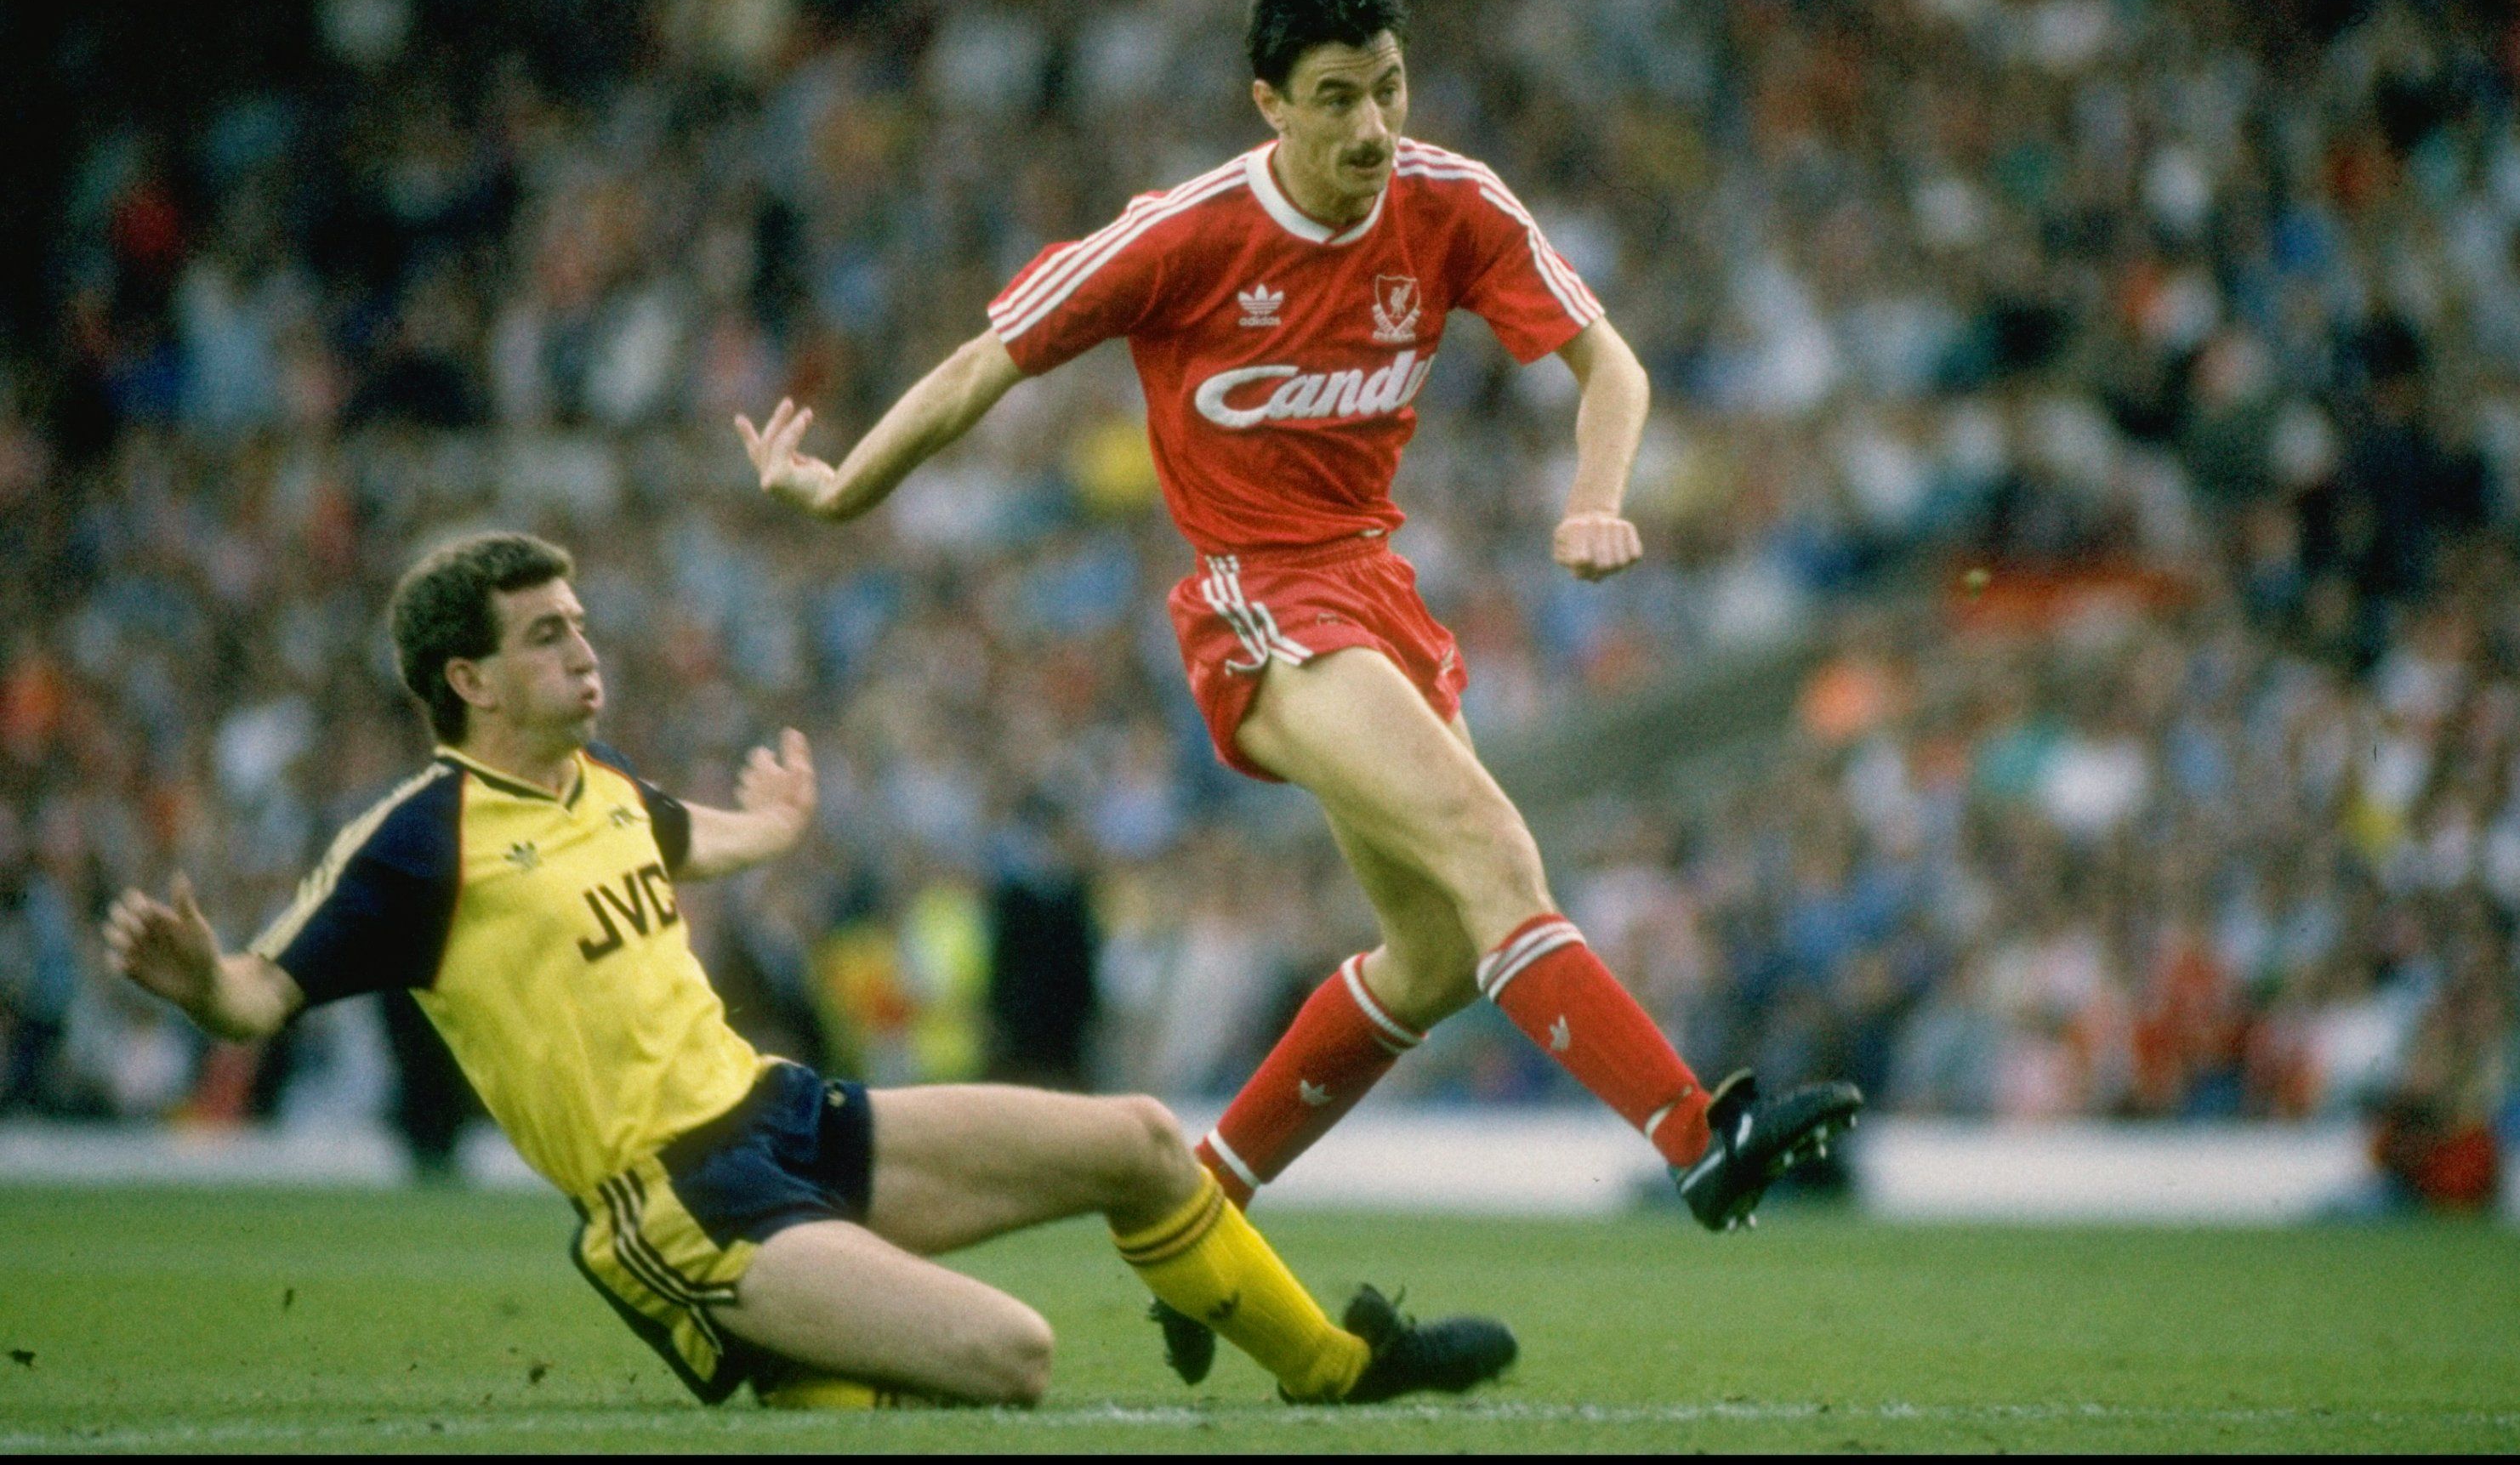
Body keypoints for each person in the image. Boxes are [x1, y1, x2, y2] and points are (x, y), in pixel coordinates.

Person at [736, 0, 1860, 1301]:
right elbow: (991, 360)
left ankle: (1199, 1209)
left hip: (1373, 593)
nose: (1372, 126)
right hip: (1253, 598)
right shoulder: (1187, 233)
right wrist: (843, 487)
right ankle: (1698, 1135)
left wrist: (1595, 497)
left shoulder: (1450, 202)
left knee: (1440, 955)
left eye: (1388, 87)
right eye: (1335, 99)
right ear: (1269, 102)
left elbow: (1610, 363)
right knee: (1491, 846)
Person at [102, 532, 1515, 1410]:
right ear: (466, 680)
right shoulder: (415, 843)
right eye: (548, 635)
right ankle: (788, 1363)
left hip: (791, 1120)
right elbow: (259, 996)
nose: (586, 648)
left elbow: (704, 839)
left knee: (1146, 1142)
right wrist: (196, 977)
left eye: (582, 622)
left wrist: (772, 826)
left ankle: (1340, 1371)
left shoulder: (604, 789)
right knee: (1013, 1357)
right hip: (679, 1202)